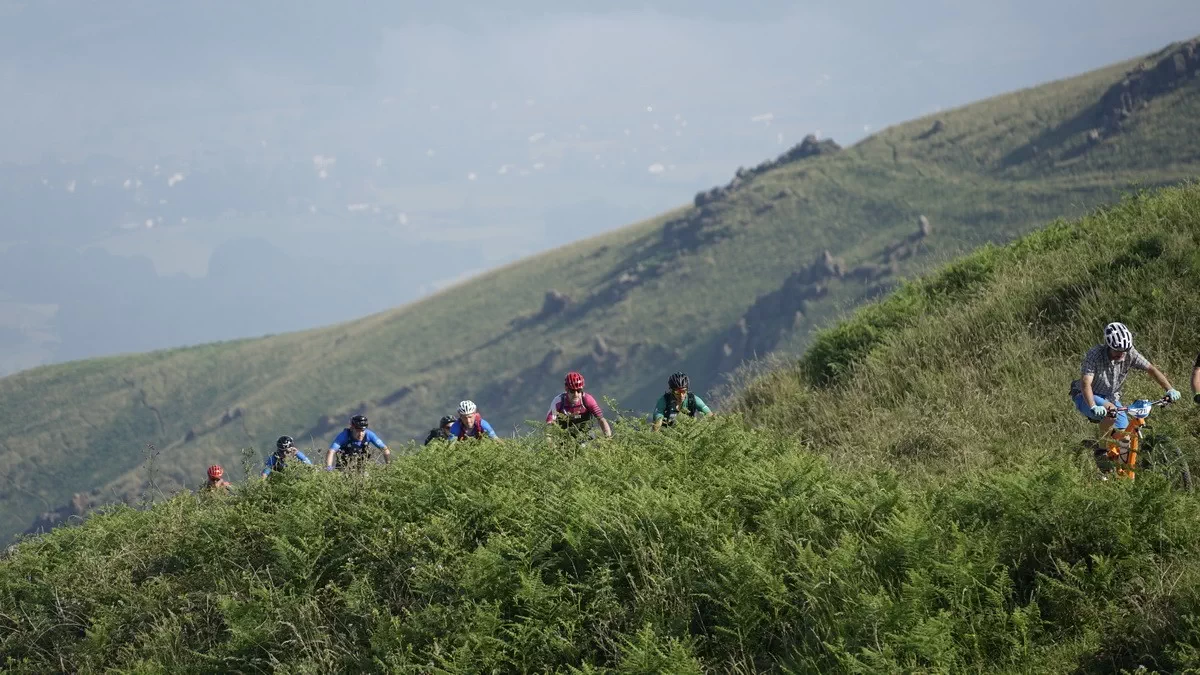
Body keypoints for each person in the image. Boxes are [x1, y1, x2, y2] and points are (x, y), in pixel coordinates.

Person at [1070, 322, 1180, 437]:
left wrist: (1170, 389)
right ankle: (1101, 449)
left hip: (1111, 397)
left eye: (1124, 351)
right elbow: (1086, 383)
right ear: (1108, 346)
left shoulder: (1130, 353)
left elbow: (1151, 369)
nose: (1121, 354)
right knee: (1111, 410)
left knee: (1126, 435)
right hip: (1087, 396)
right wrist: (1093, 406)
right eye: (1117, 350)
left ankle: (1116, 451)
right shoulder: (1095, 354)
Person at [545, 371, 612, 439]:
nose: (576, 394)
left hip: (586, 436)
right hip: (564, 437)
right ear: (566, 389)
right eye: (572, 391)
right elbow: (550, 423)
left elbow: (601, 419)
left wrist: (608, 439)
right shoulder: (558, 401)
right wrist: (549, 444)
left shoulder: (588, 400)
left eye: (579, 390)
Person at [324, 414, 391, 471]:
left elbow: (385, 449)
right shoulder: (344, 435)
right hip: (343, 468)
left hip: (362, 468)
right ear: (352, 428)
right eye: (358, 430)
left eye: (363, 430)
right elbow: (331, 451)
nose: (361, 434)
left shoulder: (369, 434)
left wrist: (388, 466)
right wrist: (329, 468)